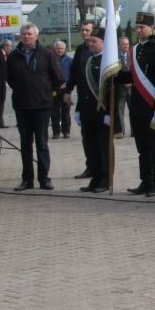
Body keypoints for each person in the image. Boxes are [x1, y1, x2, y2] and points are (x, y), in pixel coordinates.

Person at [116, 0, 155, 197]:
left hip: (154, 105)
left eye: (142, 27)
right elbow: (133, 76)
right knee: (142, 146)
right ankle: (146, 180)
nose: (139, 30)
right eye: (137, 27)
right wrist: (117, 77)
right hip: (138, 105)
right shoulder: (136, 50)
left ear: (152, 28)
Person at [7, 24, 65, 191]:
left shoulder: (47, 54)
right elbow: (10, 78)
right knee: (25, 144)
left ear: (36, 36)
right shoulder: (13, 56)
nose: (26, 37)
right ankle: (27, 180)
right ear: (20, 36)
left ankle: (44, 179)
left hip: (42, 105)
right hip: (21, 105)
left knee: (42, 143)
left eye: (29, 34)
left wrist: (46, 90)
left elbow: (59, 77)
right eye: (23, 34)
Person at [72, 28, 110, 193]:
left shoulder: (109, 63)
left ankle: (105, 179)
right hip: (88, 112)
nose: (90, 44)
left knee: (103, 148)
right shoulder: (88, 61)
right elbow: (82, 88)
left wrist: (110, 113)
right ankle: (95, 178)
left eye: (94, 41)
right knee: (90, 147)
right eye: (89, 41)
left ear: (103, 43)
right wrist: (79, 109)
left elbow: (114, 91)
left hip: (102, 113)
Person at [65, 21, 96, 179]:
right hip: (83, 100)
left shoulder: (98, 50)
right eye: (83, 30)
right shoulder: (80, 49)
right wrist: (67, 90)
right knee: (87, 137)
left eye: (88, 30)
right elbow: (74, 72)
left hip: (97, 100)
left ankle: (101, 170)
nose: (85, 33)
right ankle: (90, 167)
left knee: (98, 140)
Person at [50, 41, 73, 139]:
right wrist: (56, 84)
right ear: (54, 49)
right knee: (54, 112)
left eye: (61, 48)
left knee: (66, 112)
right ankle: (56, 132)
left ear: (64, 49)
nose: (59, 50)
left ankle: (66, 131)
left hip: (66, 90)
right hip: (54, 89)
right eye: (57, 48)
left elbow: (72, 75)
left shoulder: (69, 60)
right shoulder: (50, 59)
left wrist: (66, 84)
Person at [113, 36, 131, 138]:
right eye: (124, 44)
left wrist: (131, 82)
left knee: (133, 111)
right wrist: (123, 81)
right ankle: (121, 131)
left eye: (127, 44)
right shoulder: (115, 57)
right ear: (119, 45)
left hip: (131, 89)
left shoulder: (132, 55)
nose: (126, 46)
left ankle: (134, 131)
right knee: (120, 111)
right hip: (120, 89)